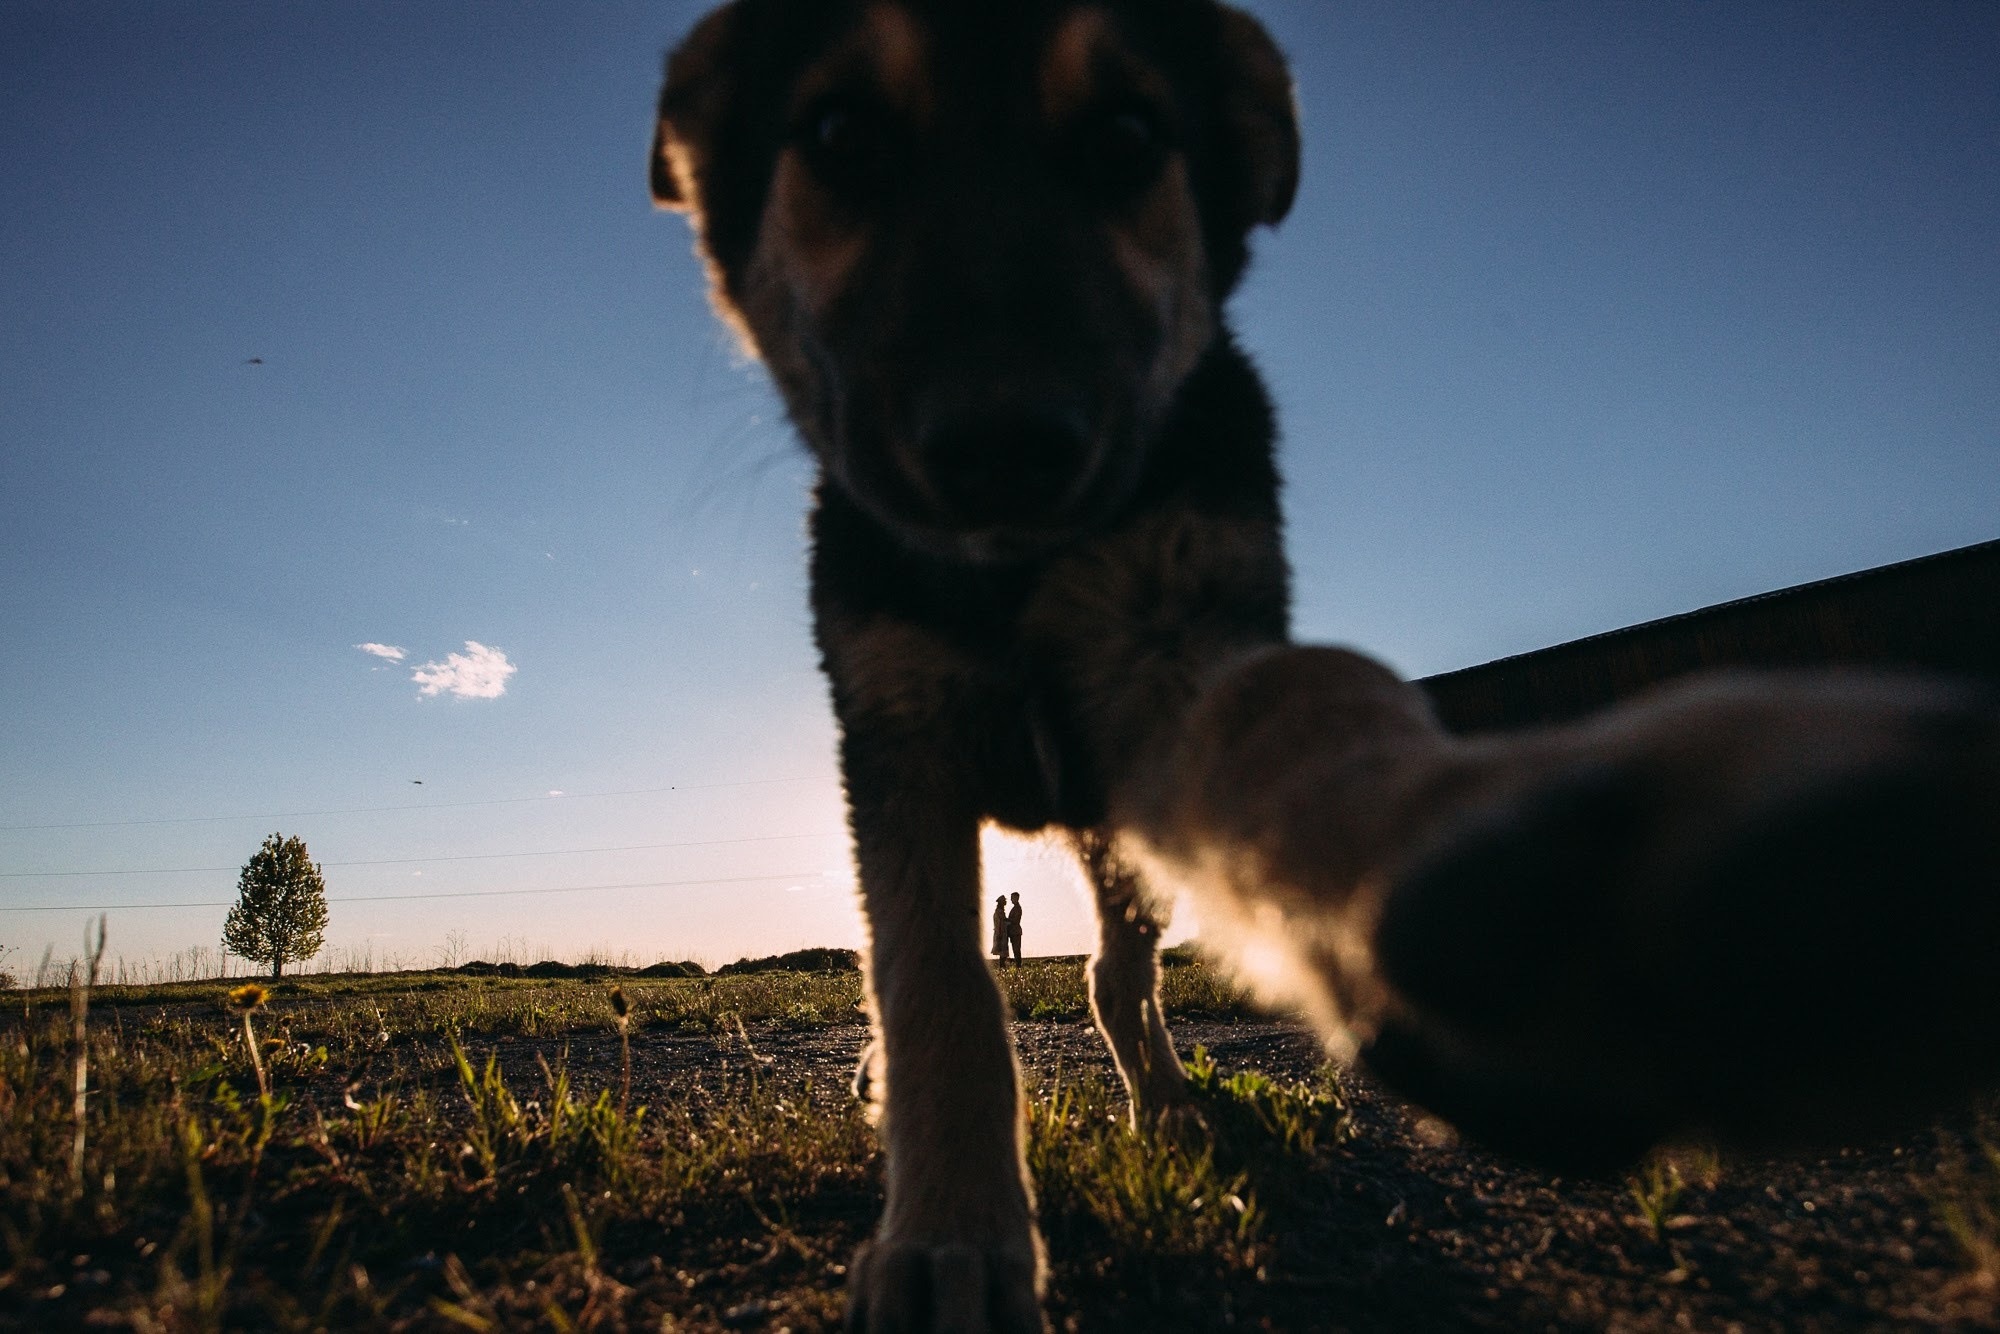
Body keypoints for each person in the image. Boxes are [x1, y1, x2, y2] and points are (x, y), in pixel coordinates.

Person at [990, 895, 1009, 966]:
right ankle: (1002, 966)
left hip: (1000, 932)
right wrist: (1000, 933)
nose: (1005, 902)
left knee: (1002, 951)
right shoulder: (999, 912)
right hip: (1001, 933)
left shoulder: (999, 912)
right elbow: (1000, 923)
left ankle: (1002, 965)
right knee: (1002, 951)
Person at [1007, 892, 1024, 965]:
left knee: (1016, 949)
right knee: (1015, 949)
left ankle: (1018, 965)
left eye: (1012, 898)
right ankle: (1018, 965)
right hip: (1013, 932)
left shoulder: (1018, 908)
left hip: (1016, 932)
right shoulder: (1015, 908)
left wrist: (1007, 920)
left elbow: (1016, 920)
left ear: (1016, 898)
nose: (1011, 900)